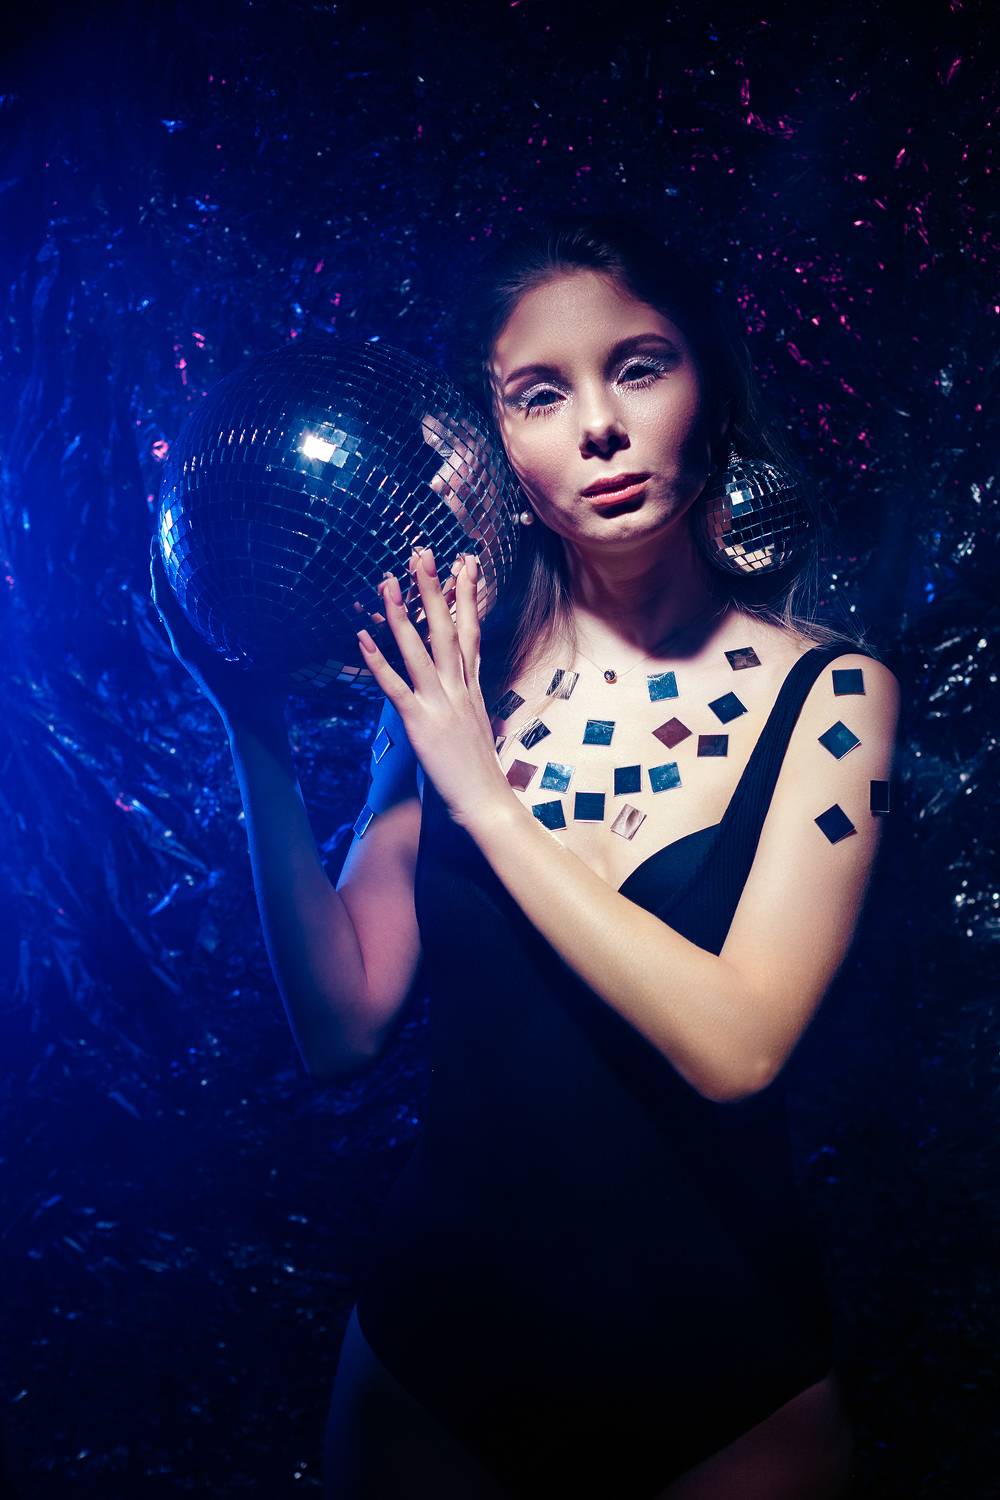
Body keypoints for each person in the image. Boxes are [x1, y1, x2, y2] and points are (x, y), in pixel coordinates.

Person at [151, 212, 901, 1498]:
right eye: (539, 394)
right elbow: (341, 1026)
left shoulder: (832, 697)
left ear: (707, 385)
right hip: (432, 1368)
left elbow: (737, 1046)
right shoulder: (452, 678)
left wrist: (484, 794)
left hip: (727, 1387)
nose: (599, 426)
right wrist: (252, 727)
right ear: (487, 441)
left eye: (639, 367)